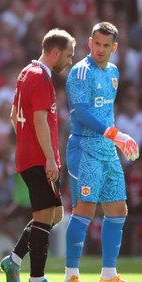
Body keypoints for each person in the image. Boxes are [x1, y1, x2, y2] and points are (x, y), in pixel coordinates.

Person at [64, 22, 139, 282]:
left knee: (118, 209)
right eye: (97, 43)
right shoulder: (81, 72)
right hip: (85, 147)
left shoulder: (114, 72)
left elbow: (106, 113)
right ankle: (71, 273)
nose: (100, 49)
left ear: (114, 47)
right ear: (89, 42)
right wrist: (115, 134)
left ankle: (109, 273)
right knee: (85, 209)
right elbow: (83, 112)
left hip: (108, 149)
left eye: (106, 45)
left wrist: (117, 140)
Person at [1, 28, 76, 282]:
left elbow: (14, 116)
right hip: (39, 158)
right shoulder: (40, 78)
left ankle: (13, 260)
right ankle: (37, 277)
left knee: (54, 215)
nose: (70, 61)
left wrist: (26, 142)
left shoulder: (25, 73)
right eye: (68, 55)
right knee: (44, 217)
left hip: (28, 155)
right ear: (54, 53)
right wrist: (49, 158)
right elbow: (40, 121)